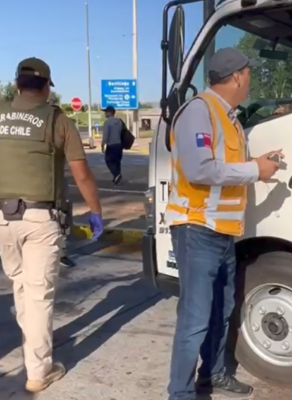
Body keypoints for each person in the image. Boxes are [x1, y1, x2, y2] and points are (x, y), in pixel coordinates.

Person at [0, 57, 103, 394]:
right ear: (47, 86)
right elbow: (81, 173)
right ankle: (39, 370)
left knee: (22, 285)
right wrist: (95, 211)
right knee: (38, 295)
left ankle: (32, 343)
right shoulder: (57, 120)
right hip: (40, 220)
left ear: (17, 85)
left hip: (0, 219)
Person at [164, 47, 283, 400]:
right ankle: (180, 393)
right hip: (197, 228)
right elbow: (199, 168)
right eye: (248, 74)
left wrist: (259, 164)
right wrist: (253, 170)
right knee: (195, 318)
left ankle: (213, 374)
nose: (250, 80)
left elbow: (225, 166)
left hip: (224, 232)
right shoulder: (198, 112)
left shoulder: (227, 116)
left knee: (222, 308)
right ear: (235, 77)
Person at [102, 106, 124, 184]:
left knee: (109, 160)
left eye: (106, 112)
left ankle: (117, 174)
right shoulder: (119, 122)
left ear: (110, 113)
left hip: (111, 145)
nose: (105, 113)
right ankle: (116, 177)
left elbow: (106, 135)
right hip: (119, 144)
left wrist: (103, 144)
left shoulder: (107, 122)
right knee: (117, 161)